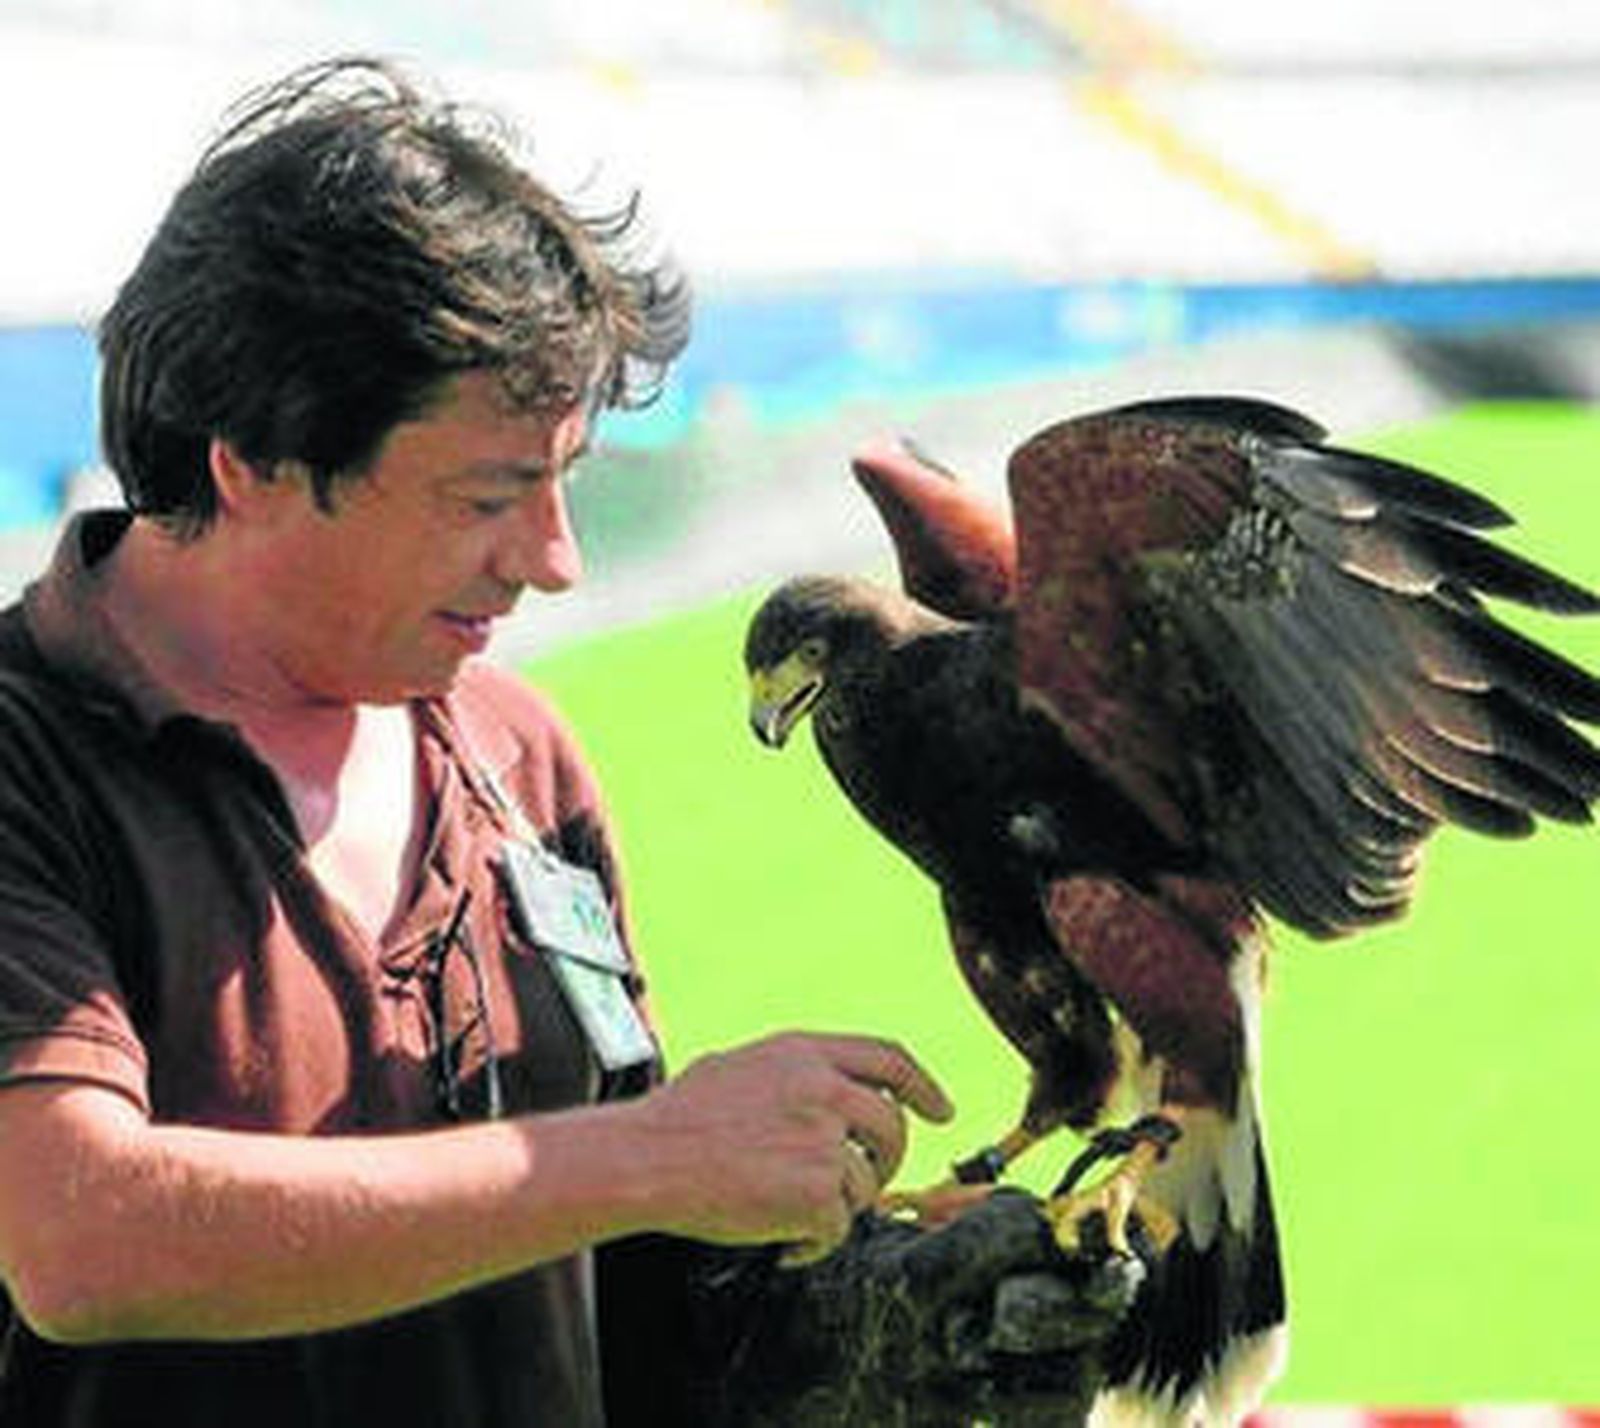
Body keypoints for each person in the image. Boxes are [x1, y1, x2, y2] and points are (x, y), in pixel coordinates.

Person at [0, 57, 1127, 1427]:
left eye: (566, 482)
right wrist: (650, 1155)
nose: (557, 561)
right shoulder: (27, 761)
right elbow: (82, 1236)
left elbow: (608, 1283)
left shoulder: (516, 757)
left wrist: (862, 1322)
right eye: (492, 494)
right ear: (252, 460)